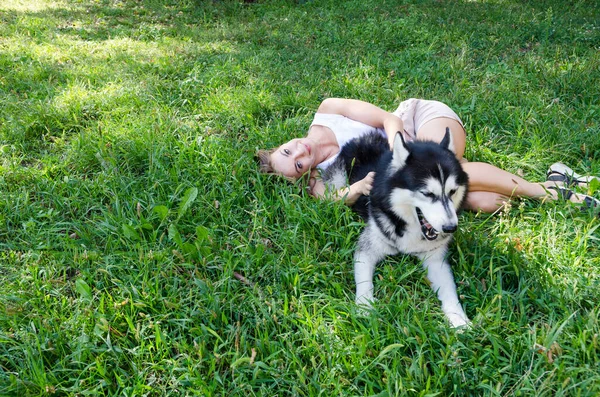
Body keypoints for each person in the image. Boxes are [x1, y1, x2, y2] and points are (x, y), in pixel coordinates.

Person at [257, 98, 599, 213]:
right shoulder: (321, 179)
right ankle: (556, 177)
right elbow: (338, 197)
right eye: (298, 165)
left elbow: (388, 119)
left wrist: (397, 149)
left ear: (282, 143)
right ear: (303, 174)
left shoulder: (328, 111)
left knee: (436, 166)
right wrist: (355, 189)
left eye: (288, 150)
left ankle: (555, 193)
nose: (300, 153)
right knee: (483, 203)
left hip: (418, 118)